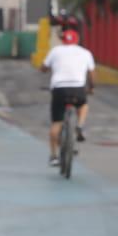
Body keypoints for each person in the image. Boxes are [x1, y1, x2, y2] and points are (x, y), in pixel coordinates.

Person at [39, 28, 95, 167]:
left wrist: (46, 69)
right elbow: (92, 74)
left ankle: (53, 156)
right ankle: (80, 126)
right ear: (77, 40)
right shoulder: (85, 53)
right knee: (83, 105)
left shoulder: (55, 51)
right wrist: (91, 88)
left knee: (56, 123)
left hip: (59, 89)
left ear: (63, 40)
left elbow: (43, 67)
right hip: (78, 89)